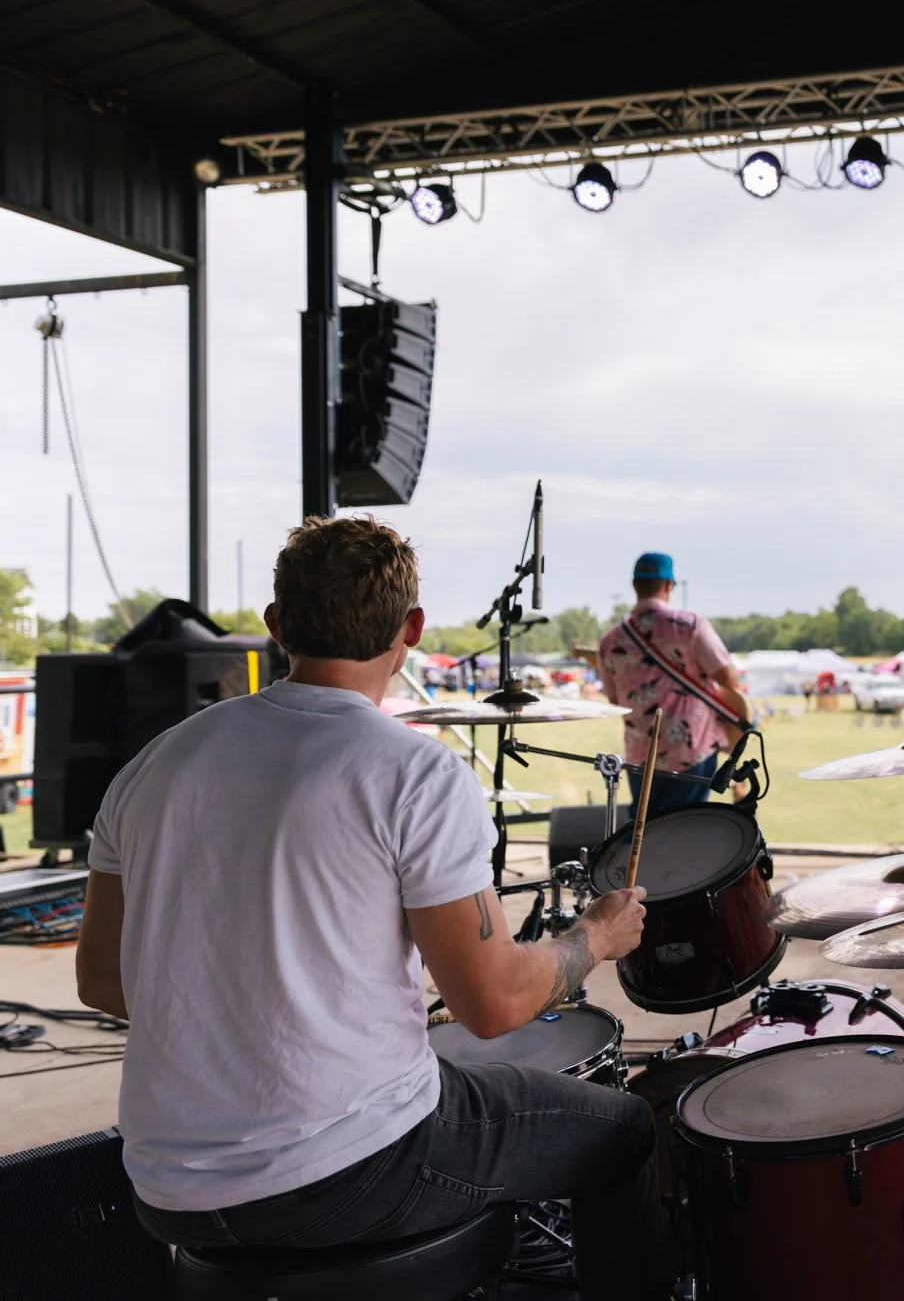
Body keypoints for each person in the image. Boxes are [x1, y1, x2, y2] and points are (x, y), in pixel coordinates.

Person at [73, 517, 669, 1299]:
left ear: (277, 627)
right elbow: (491, 1004)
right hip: (344, 1172)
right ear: (411, 629)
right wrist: (594, 935)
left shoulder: (152, 766)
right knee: (624, 1131)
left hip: (166, 1190)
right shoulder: (414, 773)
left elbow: (103, 983)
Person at [599, 552, 748, 816]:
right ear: (669, 586)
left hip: (640, 754)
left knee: (646, 833)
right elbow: (728, 679)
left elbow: (613, 699)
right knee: (683, 830)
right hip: (691, 749)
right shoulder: (689, 625)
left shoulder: (611, 640)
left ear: (635, 585)